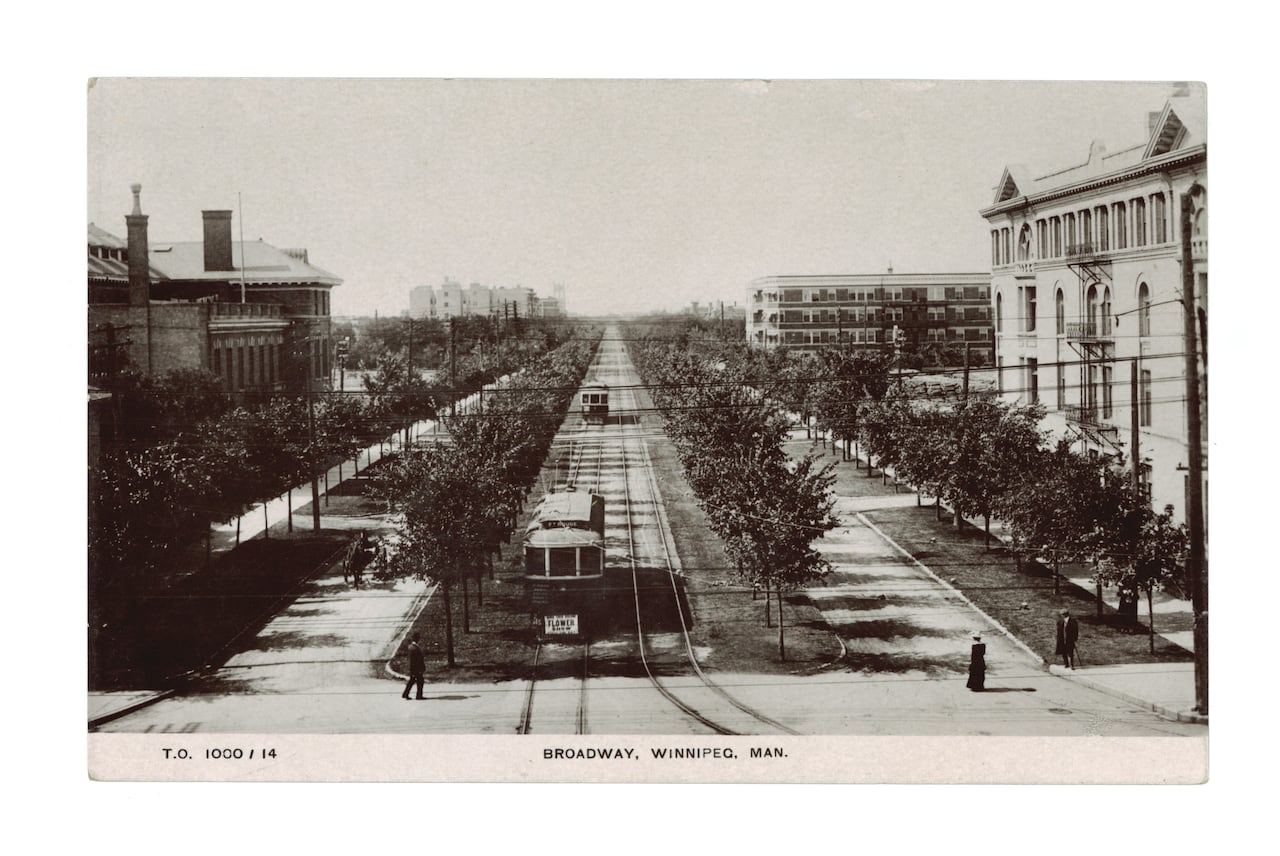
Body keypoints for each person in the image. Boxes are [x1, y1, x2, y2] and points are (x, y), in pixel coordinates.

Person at [402, 635, 425, 700]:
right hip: (416, 668)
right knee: (420, 681)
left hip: (413, 668)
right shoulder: (414, 648)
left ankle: (405, 694)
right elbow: (416, 660)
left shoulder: (412, 647)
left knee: (412, 681)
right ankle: (418, 696)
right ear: (417, 639)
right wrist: (420, 668)